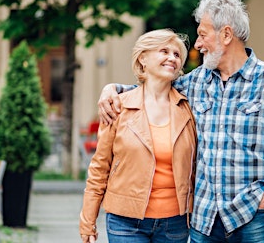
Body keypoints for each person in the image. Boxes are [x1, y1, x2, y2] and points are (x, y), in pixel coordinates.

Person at [97, 0, 264, 243]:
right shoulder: (194, 82)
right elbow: (151, 89)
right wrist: (113, 89)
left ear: (226, 35)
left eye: (203, 35)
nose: (197, 44)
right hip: (205, 221)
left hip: (258, 220)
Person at [79, 29, 198, 243]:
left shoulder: (189, 109)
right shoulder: (118, 106)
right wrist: (88, 219)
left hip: (176, 221)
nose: (172, 58)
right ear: (143, 58)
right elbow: (100, 166)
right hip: (126, 220)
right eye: (164, 51)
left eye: (177, 54)